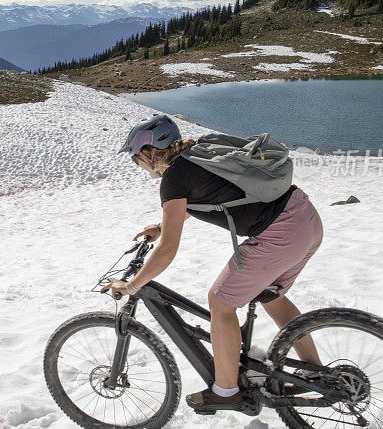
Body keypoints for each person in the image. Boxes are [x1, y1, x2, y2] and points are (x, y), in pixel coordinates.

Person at [103, 115, 324, 412]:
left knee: (220, 302)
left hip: (280, 232)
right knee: (271, 295)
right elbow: (214, 195)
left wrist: (131, 285)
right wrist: (161, 226)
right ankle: (314, 371)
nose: (137, 165)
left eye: (135, 158)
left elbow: (168, 250)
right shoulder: (196, 155)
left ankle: (226, 391)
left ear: (151, 153)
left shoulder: (174, 179)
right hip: (305, 218)